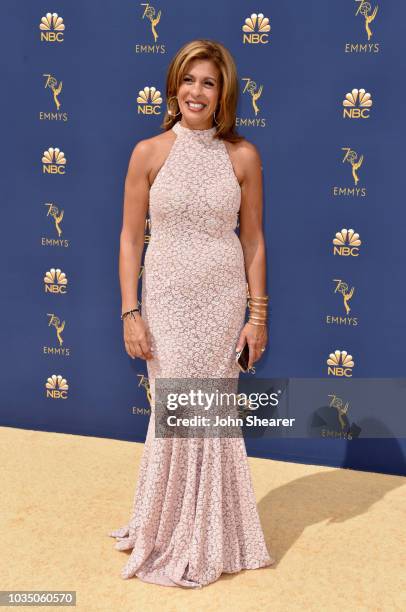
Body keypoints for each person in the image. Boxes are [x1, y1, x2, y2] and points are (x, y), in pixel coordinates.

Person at [108, 38, 275, 588]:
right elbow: (132, 239)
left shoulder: (243, 156)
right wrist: (131, 311)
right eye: (188, 80)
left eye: (208, 82)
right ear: (173, 87)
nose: (196, 92)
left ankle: (214, 533)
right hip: (167, 299)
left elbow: (253, 240)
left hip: (223, 299)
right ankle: (165, 528)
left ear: (222, 92)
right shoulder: (148, 152)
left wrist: (258, 315)